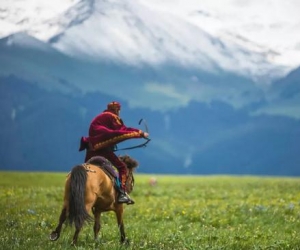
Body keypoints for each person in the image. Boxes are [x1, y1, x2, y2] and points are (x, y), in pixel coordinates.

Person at [79, 101, 149, 204]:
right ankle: (122, 193)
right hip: (102, 150)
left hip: (90, 149)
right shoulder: (112, 117)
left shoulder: (101, 117)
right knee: (122, 168)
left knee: (85, 168)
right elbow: (122, 130)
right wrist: (141, 133)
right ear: (117, 110)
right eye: (119, 111)